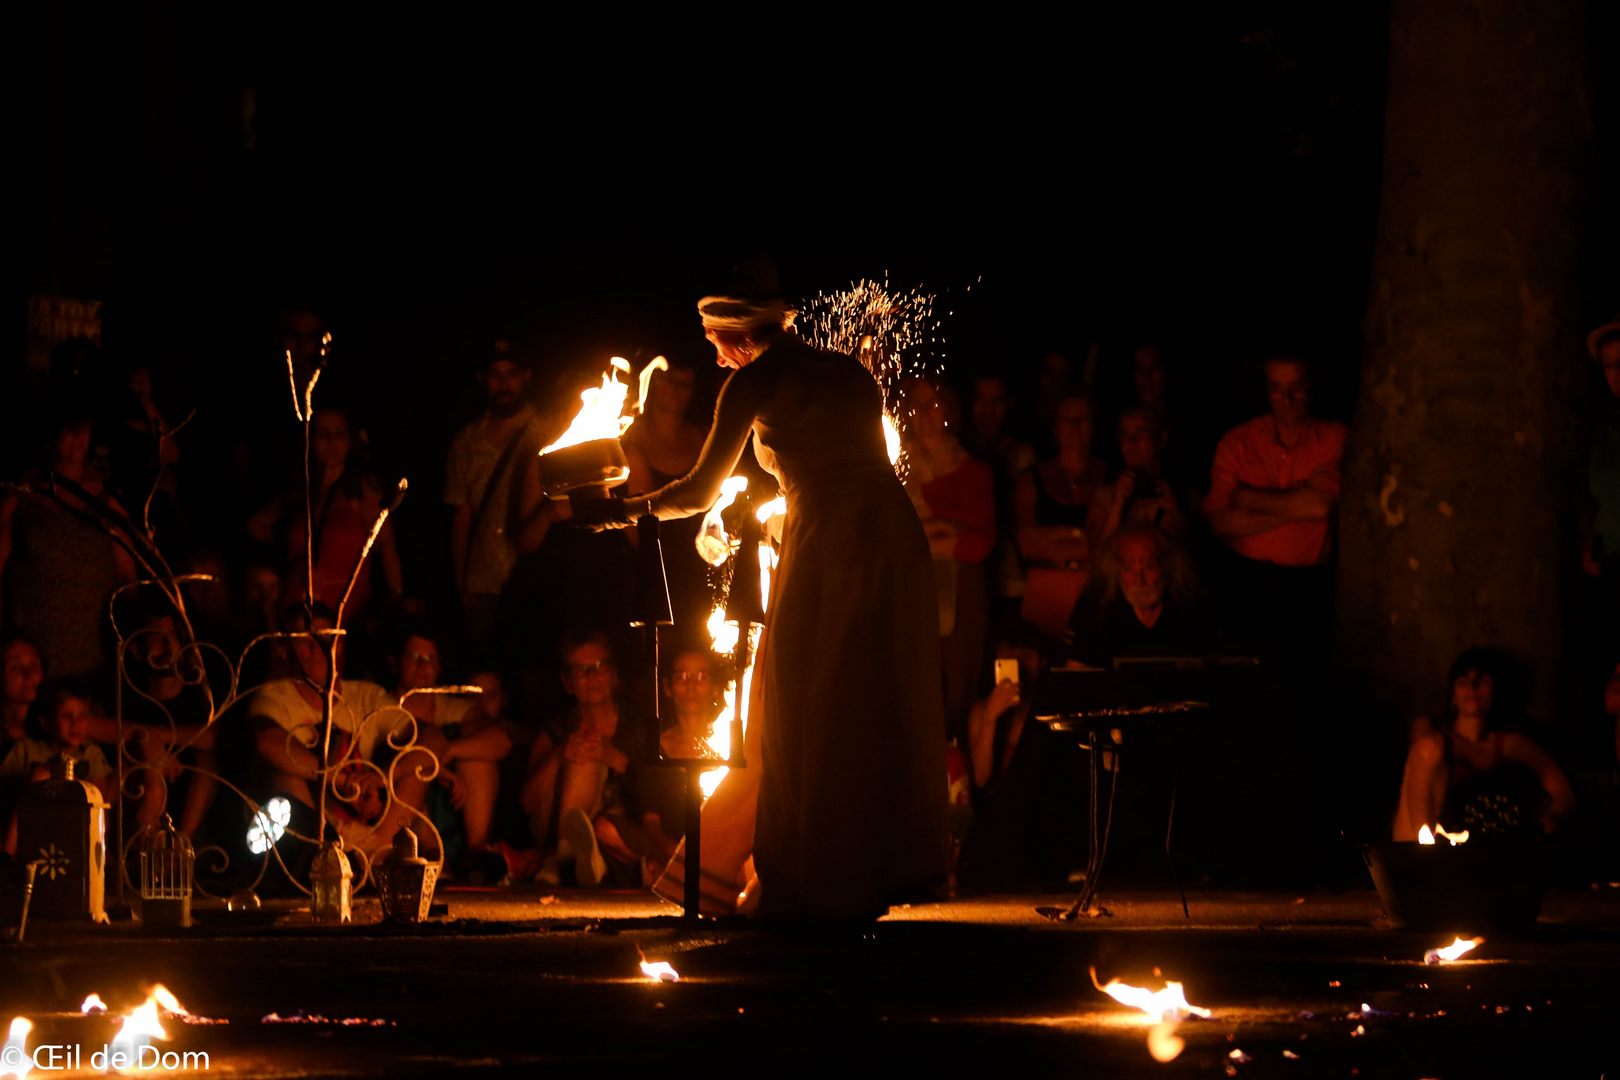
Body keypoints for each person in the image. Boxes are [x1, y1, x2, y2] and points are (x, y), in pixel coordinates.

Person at [563, 274, 947, 920]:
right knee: (872, 698)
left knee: (800, 704)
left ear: (737, 333)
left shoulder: (756, 380)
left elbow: (698, 489)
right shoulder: (847, 372)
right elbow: (851, 464)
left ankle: (803, 879)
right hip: (894, 538)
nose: (716, 359)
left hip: (831, 543)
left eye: (715, 342)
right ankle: (870, 870)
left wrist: (622, 512)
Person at [1203, 356, 1346, 662]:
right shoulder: (1238, 442)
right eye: (1278, 389)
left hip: (1308, 588)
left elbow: (1320, 507)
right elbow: (1219, 524)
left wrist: (1247, 498)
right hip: (1245, 583)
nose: (1287, 398)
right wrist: (1297, 499)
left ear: (1310, 388)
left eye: (1295, 387)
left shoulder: (1333, 439)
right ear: (1268, 392)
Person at [1391, 648, 1576, 841]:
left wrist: (1552, 818)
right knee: (1429, 748)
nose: (1472, 687)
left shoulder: (1510, 744)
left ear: (1496, 693)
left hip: (1483, 842)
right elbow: (1418, 770)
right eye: (1463, 681)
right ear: (1453, 695)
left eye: (1483, 681)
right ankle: (1422, 850)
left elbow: (1563, 791)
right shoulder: (1430, 732)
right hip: (1425, 834)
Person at [248, 406, 403, 628]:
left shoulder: (362, 490)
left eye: (339, 434)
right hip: (299, 606)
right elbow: (257, 524)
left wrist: (396, 599)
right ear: (311, 440)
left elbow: (387, 548)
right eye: (323, 434)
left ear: (350, 441)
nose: (331, 442)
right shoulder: (301, 490)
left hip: (346, 609)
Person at [445, 341, 547, 650]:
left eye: (512, 373)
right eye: (495, 374)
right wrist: (461, 583)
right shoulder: (466, 441)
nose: (504, 383)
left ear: (526, 376)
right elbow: (461, 514)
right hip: (483, 581)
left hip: (537, 578)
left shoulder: (550, 432)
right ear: (482, 378)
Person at [1014, 392, 1105, 638]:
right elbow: (1027, 543)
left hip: (1096, 588)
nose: (1075, 426)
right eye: (1067, 419)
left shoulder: (1110, 477)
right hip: (1046, 591)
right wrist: (1079, 534)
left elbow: (1108, 546)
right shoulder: (1031, 479)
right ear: (1055, 426)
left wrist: (1051, 537)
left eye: (1083, 419)